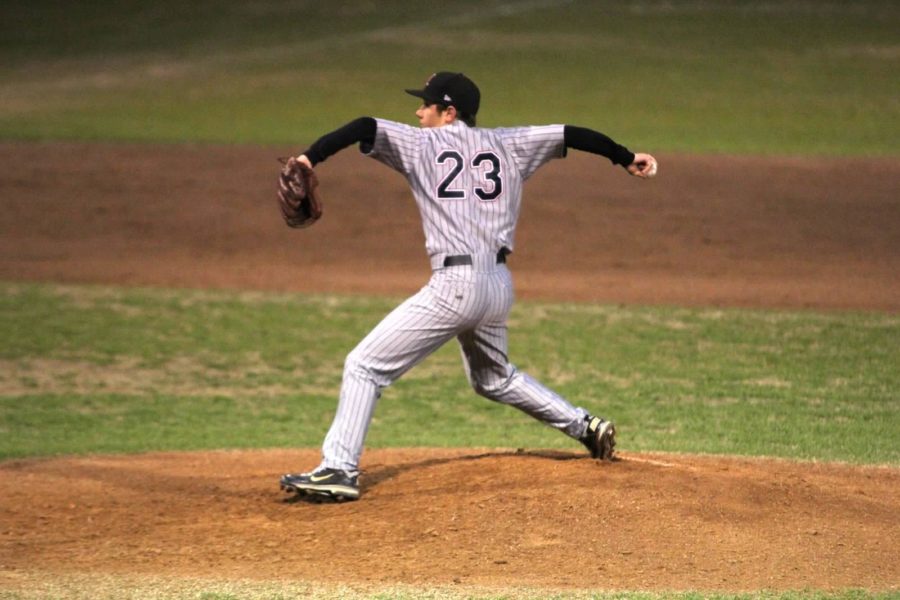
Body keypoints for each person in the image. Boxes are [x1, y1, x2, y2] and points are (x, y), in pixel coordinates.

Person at [280, 71, 657, 501]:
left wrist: (310, 158)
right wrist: (625, 157)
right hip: (497, 286)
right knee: (494, 378)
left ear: (449, 112)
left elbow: (365, 125)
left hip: (455, 287)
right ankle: (586, 426)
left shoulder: (421, 144)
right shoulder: (510, 144)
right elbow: (573, 134)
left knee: (364, 366)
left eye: (426, 105)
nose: (418, 111)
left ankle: (338, 469)